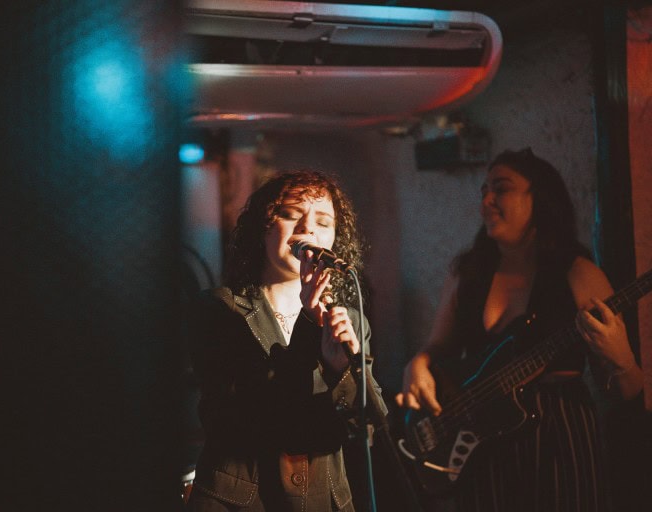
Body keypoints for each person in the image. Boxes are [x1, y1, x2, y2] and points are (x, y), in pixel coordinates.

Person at [395, 148, 644, 511]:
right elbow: (438, 345)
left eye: (501, 188)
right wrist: (416, 365)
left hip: (559, 433)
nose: (487, 200)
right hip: (479, 437)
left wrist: (621, 357)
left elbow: (630, 390)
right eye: (484, 191)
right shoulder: (467, 272)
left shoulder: (578, 273)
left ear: (539, 198)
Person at [186, 170, 386, 511]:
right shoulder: (220, 309)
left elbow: (370, 424)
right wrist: (308, 323)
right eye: (292, 215)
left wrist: (343, 371)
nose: (308, 229)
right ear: (263, 229)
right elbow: (250, 418)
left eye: (323, 222)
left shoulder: (349, 321)